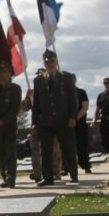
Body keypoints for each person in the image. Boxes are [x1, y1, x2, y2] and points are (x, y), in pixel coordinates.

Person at [32, 49, 79, 186]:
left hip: (63, 120)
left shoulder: (66, 77)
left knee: (68, 148)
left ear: (56, 62)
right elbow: (36, 104)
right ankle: (48, 178)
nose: (49, 64)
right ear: (44, 63)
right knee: (46, 151)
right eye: (47, 62)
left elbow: (73, 100)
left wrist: (72, 117)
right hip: (46, 122)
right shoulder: (38, 80)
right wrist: (34, 123)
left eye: (52, 61)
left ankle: (74, 175)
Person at [75, 84, 91, 173]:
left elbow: (85, 107)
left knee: (82, 145)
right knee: (66, 147)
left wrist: (75, 118)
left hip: (80, 123)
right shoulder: (64, 92)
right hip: (66, 123)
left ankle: (86, 165)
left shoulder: (81, 92)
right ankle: (65, 168)